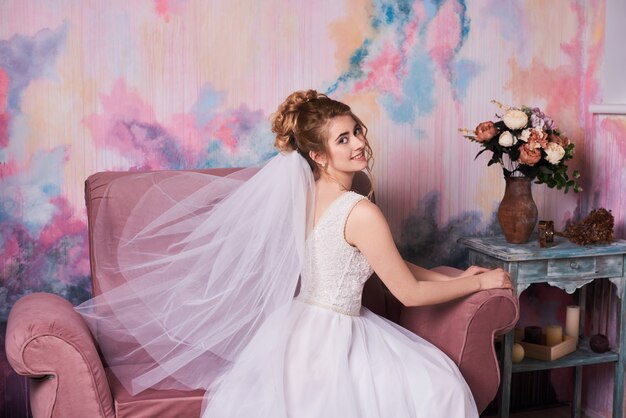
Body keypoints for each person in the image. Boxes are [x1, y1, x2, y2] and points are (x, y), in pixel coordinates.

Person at [77, 89, 511, 417]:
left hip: (299, 328)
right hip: (337, 334)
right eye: (343, 139)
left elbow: (385, 265)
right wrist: (481, 281)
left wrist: (456, 279)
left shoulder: (309, 195)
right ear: (319, 155)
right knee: (441, 387)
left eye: (357, 130)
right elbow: (409, 294)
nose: (358, 143)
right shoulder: (359, 210)